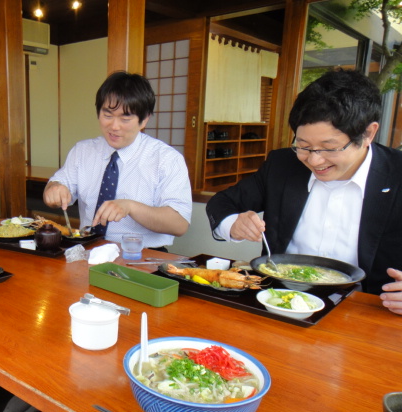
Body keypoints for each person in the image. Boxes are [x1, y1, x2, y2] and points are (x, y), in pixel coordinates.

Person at [206, 68, 402, 315]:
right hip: (279, 302)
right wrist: (234, 224)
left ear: (368, 133)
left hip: (367, 312)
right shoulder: (283, 166)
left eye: (329, 148)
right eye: (304, 146)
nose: (314, 160)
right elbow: (222, 203)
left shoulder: (397, 175)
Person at [43, 71, 192, 250]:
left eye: (125, 118)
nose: (114, 126)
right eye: (108, 115)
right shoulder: (82, 151)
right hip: (88, 249)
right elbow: (57, 185)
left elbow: (179, 224)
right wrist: (54, 189)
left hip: (141, 255)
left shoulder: (166, 159)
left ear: (144, 120)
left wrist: (130, 207)